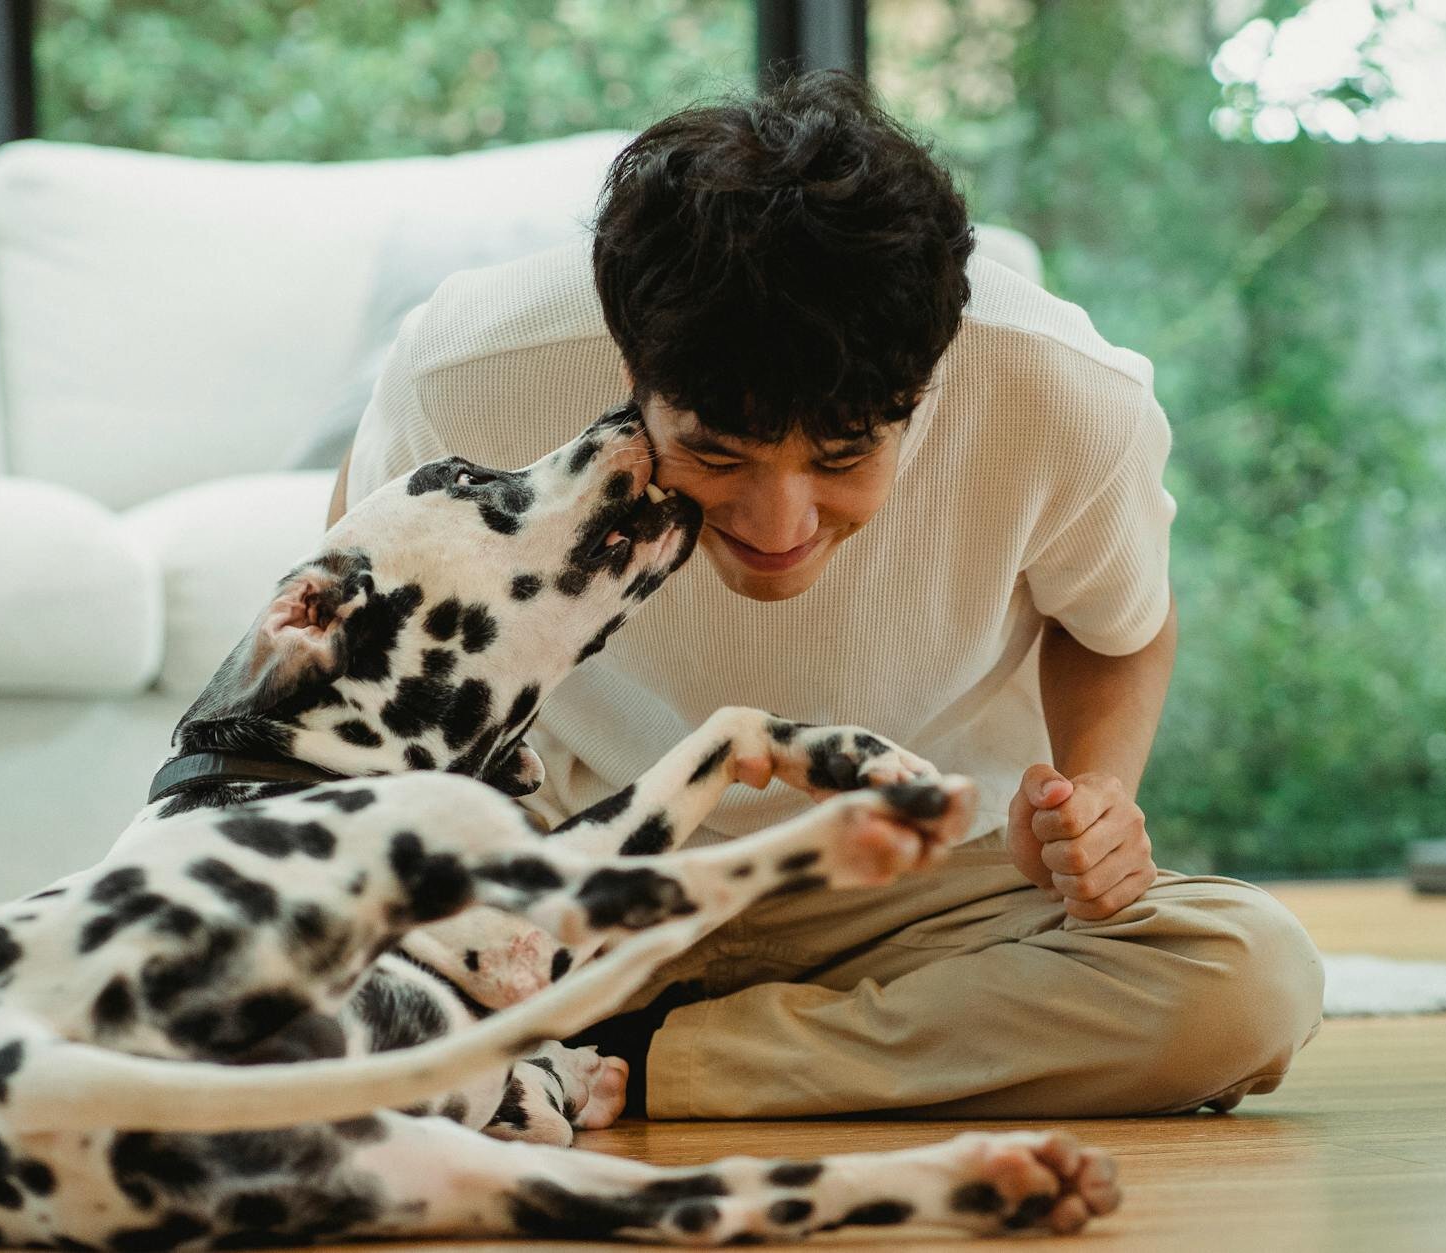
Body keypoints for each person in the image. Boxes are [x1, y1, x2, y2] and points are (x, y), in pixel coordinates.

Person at [326, 71, 1323, 1121]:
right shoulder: (468, 366)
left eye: (842, 456)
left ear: (928, 376)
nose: (777, 524)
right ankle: (672, 1051)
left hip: (918, 888)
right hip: (583, 870)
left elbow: (1118, 627)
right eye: (715, 451)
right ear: (630, 358)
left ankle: (627, 1058)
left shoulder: (1062, 391)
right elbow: (357, 625)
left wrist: (1094, 799)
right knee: (252, 980)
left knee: (1249, 981)